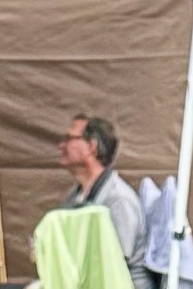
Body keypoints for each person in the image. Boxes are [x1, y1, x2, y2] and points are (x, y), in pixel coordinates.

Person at [56, 113, 148, 278]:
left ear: (92, 146)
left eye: (70, 139)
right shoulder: (73, 197)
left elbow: (115, 263)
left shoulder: (119, 199)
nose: (62, 145)